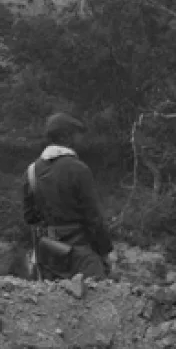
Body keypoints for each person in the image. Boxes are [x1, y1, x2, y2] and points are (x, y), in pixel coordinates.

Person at [22, 112, 114, 280]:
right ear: (67, 137)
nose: (81, 140)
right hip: (82, 257)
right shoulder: (79, 169)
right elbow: (93, 218)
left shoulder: (31, 171)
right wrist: (105, 251)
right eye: (78, 135)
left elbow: (29, 217)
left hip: (49, 257)